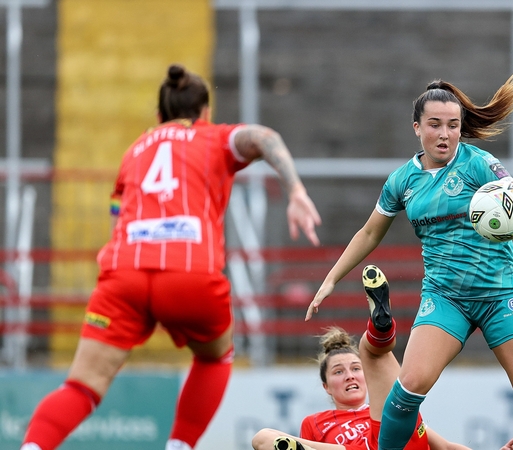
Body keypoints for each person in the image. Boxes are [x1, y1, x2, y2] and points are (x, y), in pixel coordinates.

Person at [19, 64, 322, 450]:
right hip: (190, 273)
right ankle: (179, 446)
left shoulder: (134, 152)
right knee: (215, 357)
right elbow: (264, 137)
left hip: (124, 273)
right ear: (205, 113)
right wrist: (294, 189)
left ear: (160, 116)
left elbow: (117, 215)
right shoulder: (213, 137)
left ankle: (32, 446)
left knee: (82, 386)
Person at [306, 76, 513, 450]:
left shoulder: (478, 164)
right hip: (447, 298)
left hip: (500, 293)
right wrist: (331, 279)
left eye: (453, 125)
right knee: (408, 386)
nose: (445, 134)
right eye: (435, 125)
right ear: (416, 128)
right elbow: (368, 234)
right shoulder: (402, 181)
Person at [253, 265, 513, 450]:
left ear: (366, 377)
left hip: (396, 439)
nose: (349, 375)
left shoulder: (386, 410)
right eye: (338, 372)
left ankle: (381, 327)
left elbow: (444, 447)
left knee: (396, 404)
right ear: (325, 387)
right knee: (261, 438)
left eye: (355, 369)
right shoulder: (315, 423)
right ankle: (379, 333)